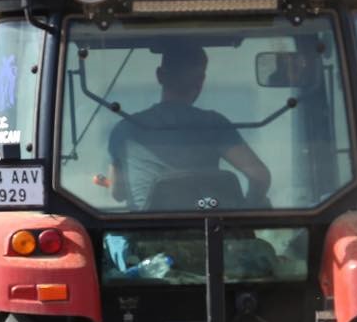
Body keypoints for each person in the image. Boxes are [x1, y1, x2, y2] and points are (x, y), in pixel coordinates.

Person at [107, 43, 272, 210]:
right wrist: (246, 208)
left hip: (146, 232)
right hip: (208, 230)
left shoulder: (125, 129)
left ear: (160, 76)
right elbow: (259, 176)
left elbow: (118, 193)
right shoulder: (212, 124)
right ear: (200, 80)